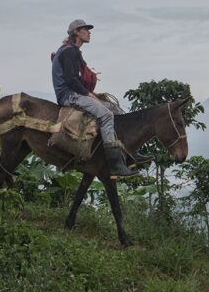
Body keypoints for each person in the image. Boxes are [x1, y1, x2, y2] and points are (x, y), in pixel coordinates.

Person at [51, 19, 149, 177]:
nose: (89, 32)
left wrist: (93, 94)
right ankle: (115, 165)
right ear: (76, 32)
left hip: (75, 92)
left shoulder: (72, 50)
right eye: (85, 29)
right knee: (106, 115)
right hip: (68, 95)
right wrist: (89, 94)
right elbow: (71, 80)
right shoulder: (69, 51)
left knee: (114, 108)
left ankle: (128, 153)